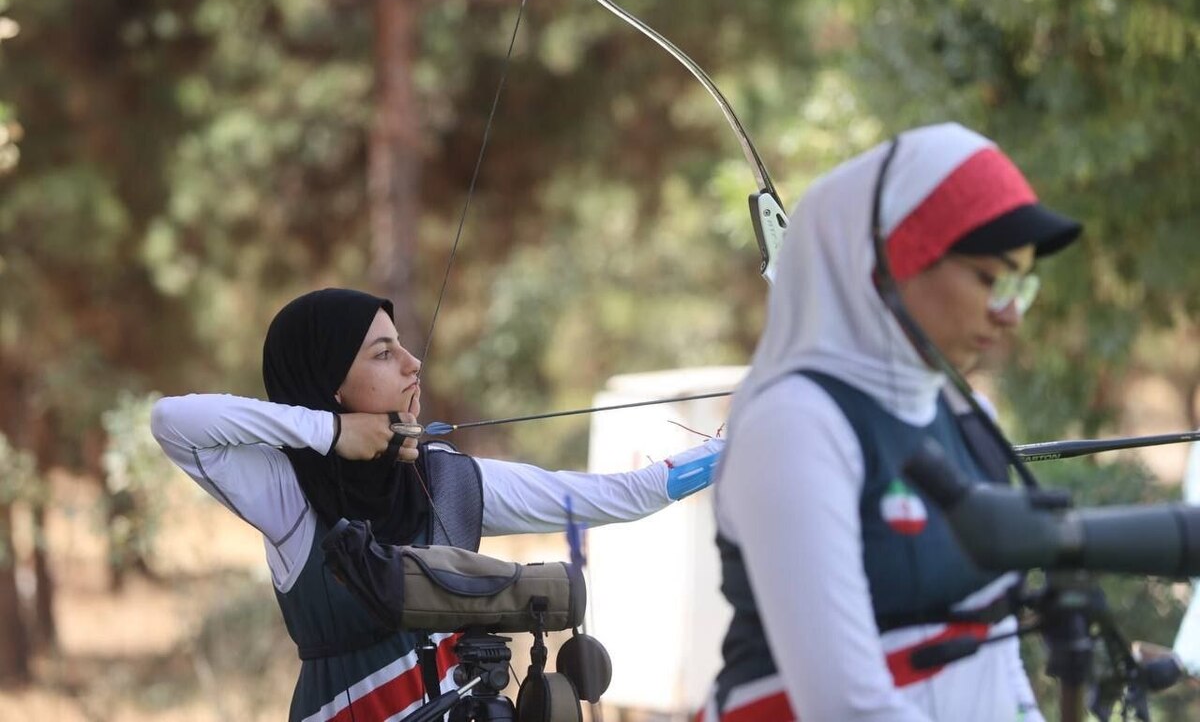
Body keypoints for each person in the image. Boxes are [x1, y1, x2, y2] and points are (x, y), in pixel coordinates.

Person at [150, 287, 723, 722]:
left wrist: (730, 447)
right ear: (330, 385)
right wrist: (330, 431)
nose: (411, 364)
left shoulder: (450, 483)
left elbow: (615, 495)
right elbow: (172, 421)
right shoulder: (289, 493)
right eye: (382, 353)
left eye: (402, 347)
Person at [701, 122, 1082, 722]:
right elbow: (847, 707)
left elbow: (994, 641)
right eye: (990, 278)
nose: (1010, 315)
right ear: (891, 258)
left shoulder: (967, 415)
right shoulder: (796, 426)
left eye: (1020, 284)